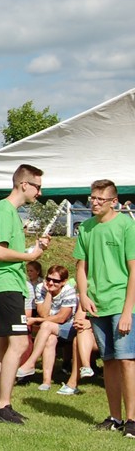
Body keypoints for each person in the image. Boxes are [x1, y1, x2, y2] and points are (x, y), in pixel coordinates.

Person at [0, 164, 49, 425]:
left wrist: (34, 250)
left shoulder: (10, 213)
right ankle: (3, 405)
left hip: (8, 284)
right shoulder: (4, 210)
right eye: (37, 186)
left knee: (1, 344)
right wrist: (30, 255)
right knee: (20, 344)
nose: (40, 193)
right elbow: (0, 253)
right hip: (6, 285)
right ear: (24, 184)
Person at [74, 179, 135, 436]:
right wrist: (83, 297)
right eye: (92, 198)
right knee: (109, 361)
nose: (94, 203)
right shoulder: (86, 228)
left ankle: (132, 420)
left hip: (121, 303)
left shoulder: (126, 226)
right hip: (97, 305)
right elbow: (80, 268)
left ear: (114, 201)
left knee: (127, 361)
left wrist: (126, 311)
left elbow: (133, 271)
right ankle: (115, 417)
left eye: (100, 199)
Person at [17, 265, 76, 390]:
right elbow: (44, 313)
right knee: (50, 339)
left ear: (64, 282)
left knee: (46, 325)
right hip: (49, 328)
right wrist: (49, 292)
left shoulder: (69, 291)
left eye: (56, 281)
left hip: (68, 327)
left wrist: (37, 320)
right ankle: (46, 382)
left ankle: (31, 362)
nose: (51, 282)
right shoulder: (41, 288)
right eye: (49, 279)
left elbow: (62, 318)